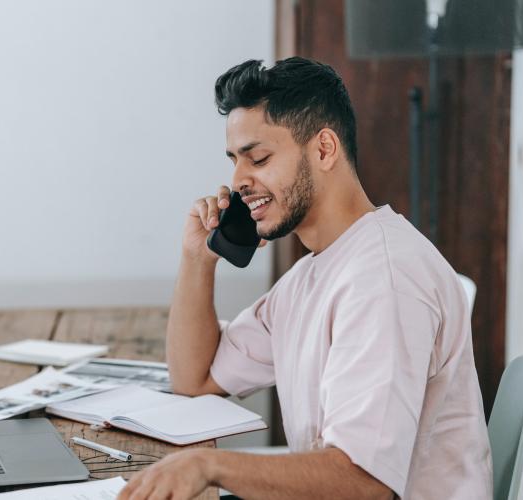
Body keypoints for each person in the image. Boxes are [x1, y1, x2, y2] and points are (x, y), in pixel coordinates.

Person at [118, 57, 492, 500]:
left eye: (258, 158)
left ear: (324, 149)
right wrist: (197, 259)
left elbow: (364, 482)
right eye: (235, 161)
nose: (238, 180)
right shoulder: (312, 274)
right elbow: (195, 380)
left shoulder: (385, 280)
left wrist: (210, 465)